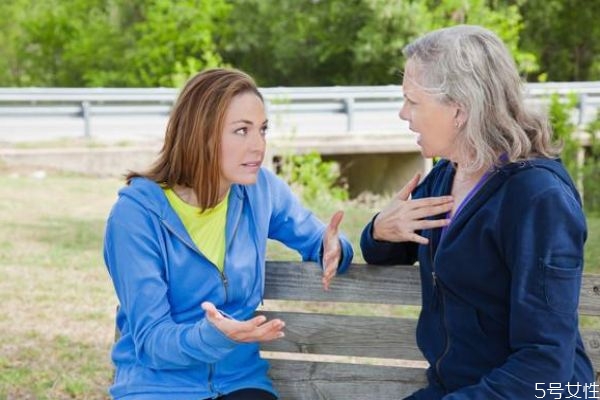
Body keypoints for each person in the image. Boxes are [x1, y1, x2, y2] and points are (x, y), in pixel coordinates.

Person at [360, 25, 594, 399]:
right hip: (458, 390)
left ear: (459, 109)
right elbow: (390, 250)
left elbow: (544, 362)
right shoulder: (446, 174)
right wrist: (380, 230)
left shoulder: (539, 198)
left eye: (413, 101)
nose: (404, 114)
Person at [103, 67, 354, 400]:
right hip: (158, 387)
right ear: (200, 135)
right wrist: (216, 336)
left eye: (262, 130)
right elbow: (152, 342)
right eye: (241, 131)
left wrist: (334, 248)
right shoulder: (136, 216)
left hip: (240, 382)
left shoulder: (260, 191)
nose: (258, 146)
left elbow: (318, 237)